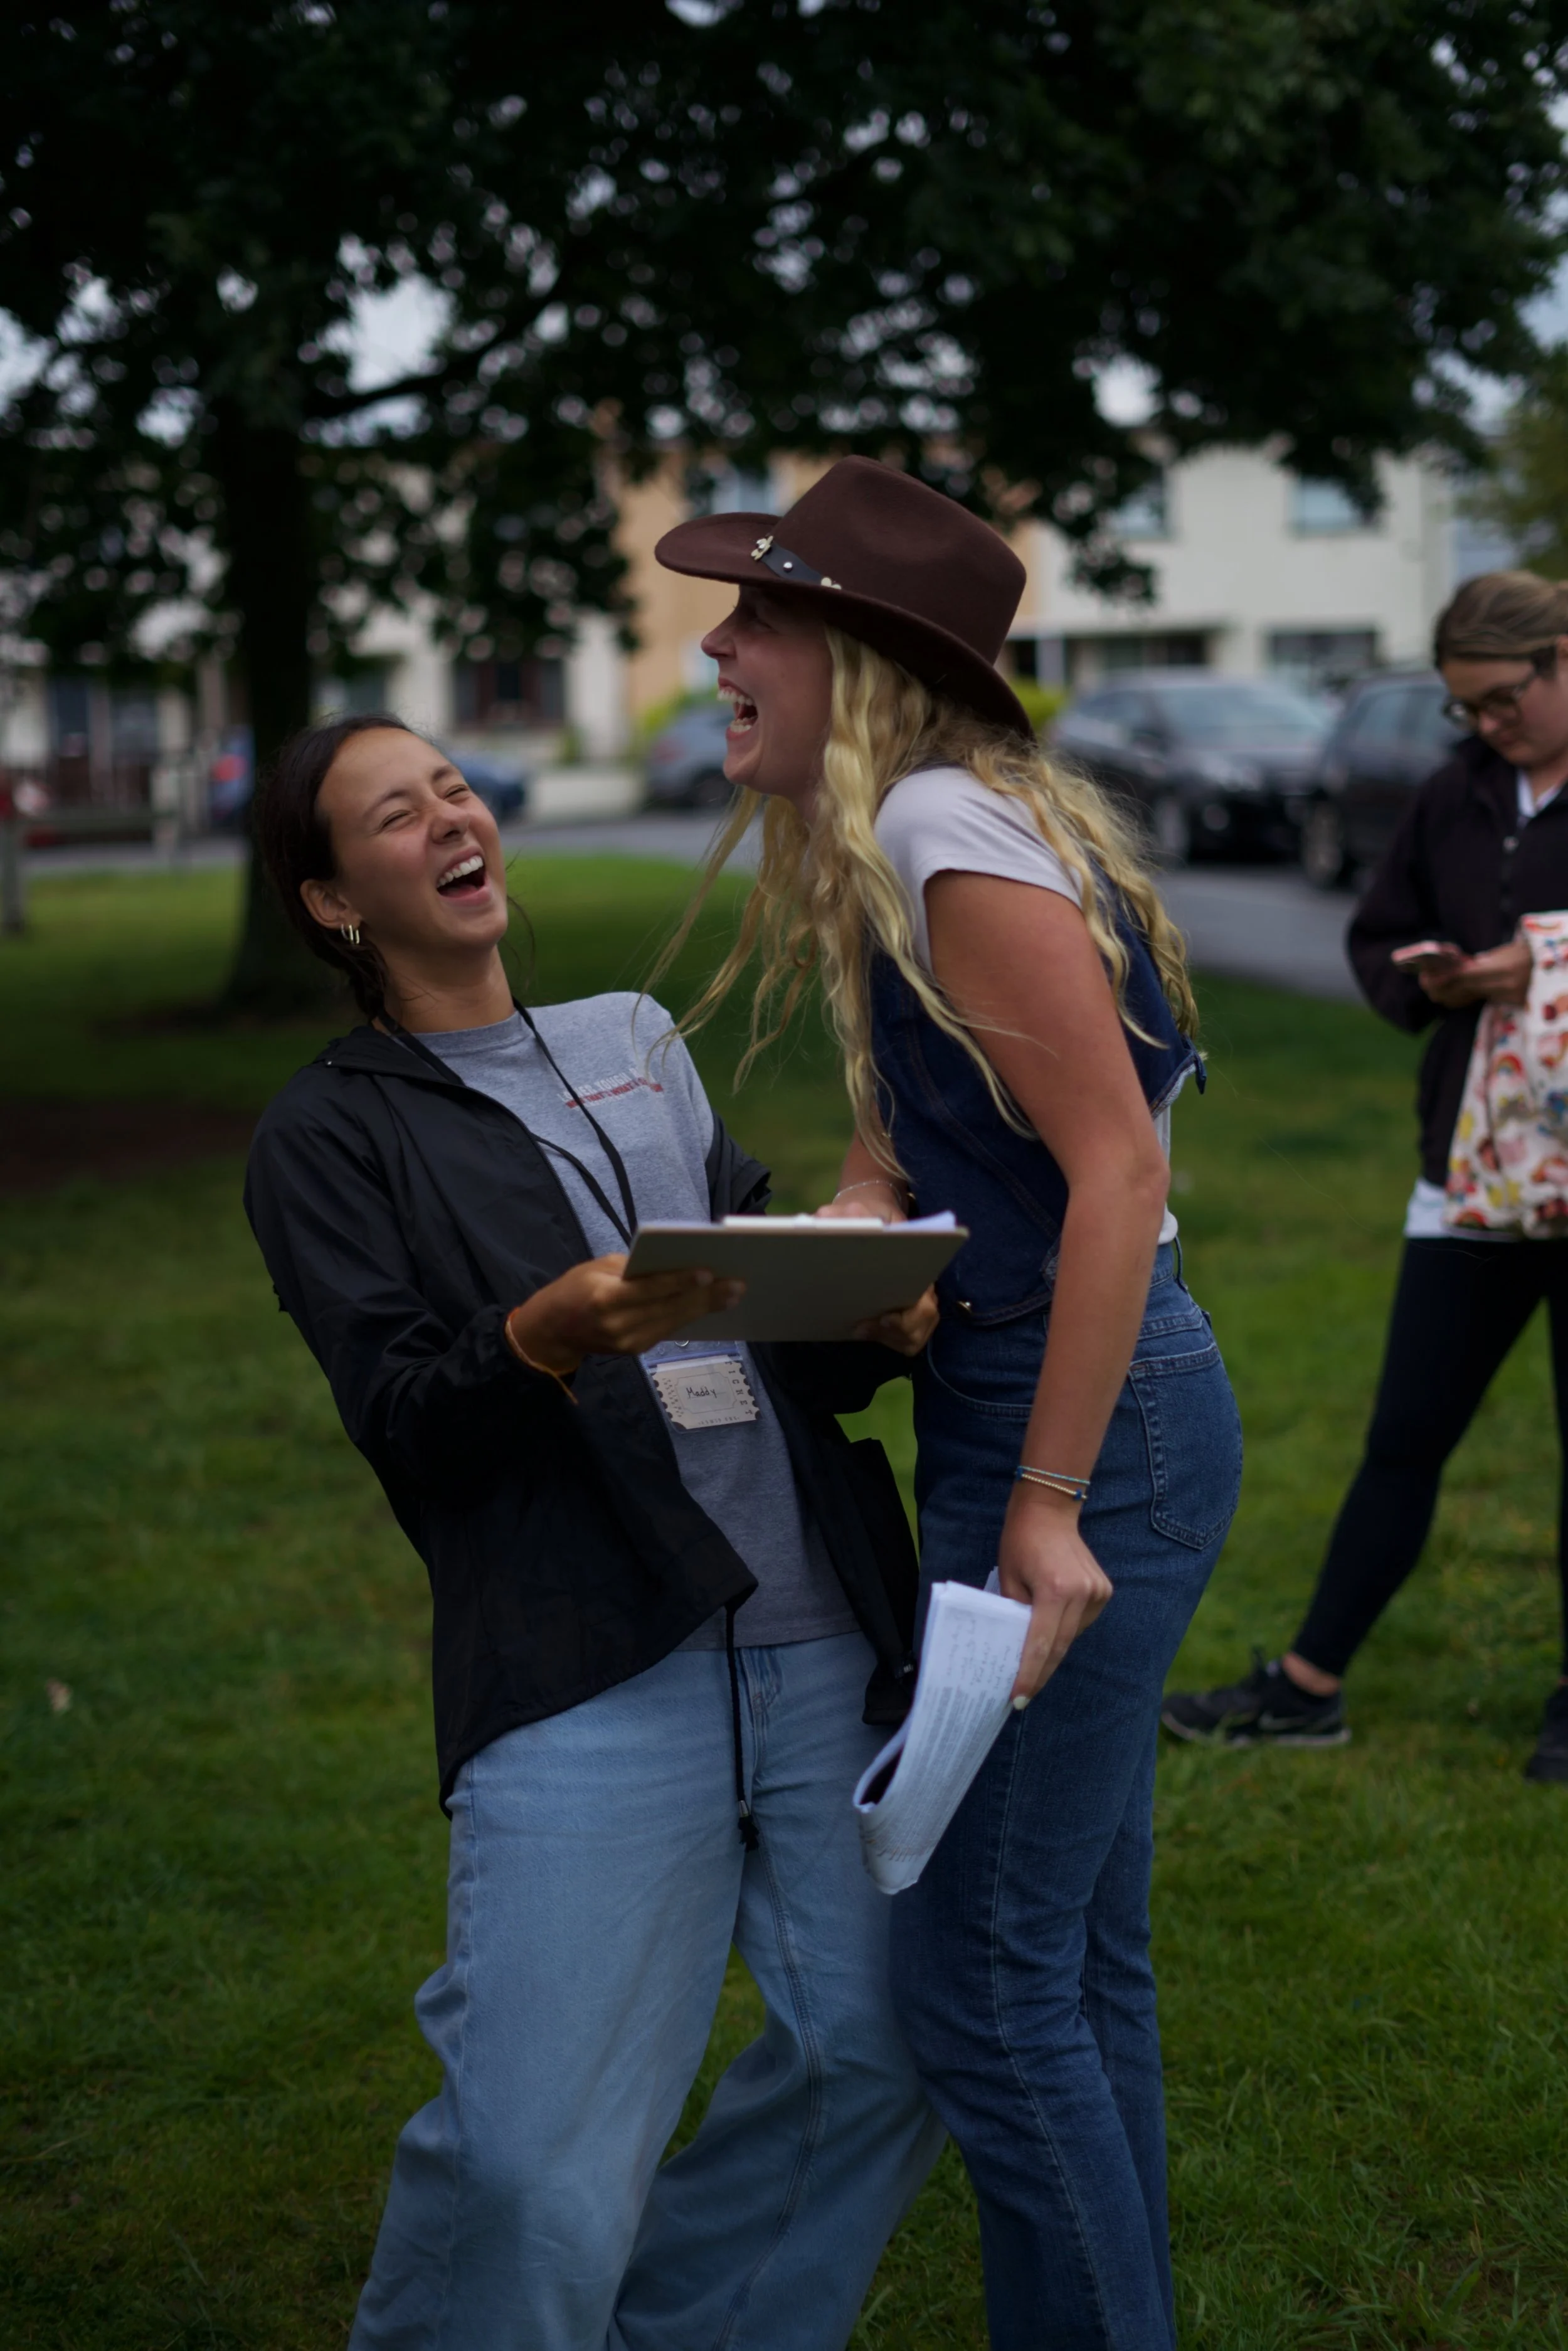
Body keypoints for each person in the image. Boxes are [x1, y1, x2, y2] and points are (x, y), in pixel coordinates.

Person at [241, 712, 946, 2351]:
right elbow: (408, 1420)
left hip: (820, 1637)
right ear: (334, 903)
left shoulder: (634, 1033)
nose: (447, 818)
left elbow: (751, 1296)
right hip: (584, 1661)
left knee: (895, 2050)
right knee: (540, 2171)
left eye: (454, 789)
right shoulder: (331, 1132)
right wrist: (540, 1336)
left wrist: (870, 1307)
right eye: (393, 815)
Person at [654, 456, 1242, 2351]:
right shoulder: (924, 830)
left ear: (853, 656)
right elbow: (914, 1132)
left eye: (756, 619)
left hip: (1084, 1435)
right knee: (1072, 1959)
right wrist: (853, 1218)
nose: (718, 646)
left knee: (983, 1992)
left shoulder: (934, 825)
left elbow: (1117, 1181)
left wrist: (1047, 1501)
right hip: (1060, 1402)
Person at [1163, 570, 1568, 1783]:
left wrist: (1539, 964)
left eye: (1502, 702)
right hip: (1474, 1173)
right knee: (1405, 1434)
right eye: (1466, 711)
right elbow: (1376, 933)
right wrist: (1435, 979)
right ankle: (1307, 1686)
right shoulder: (1459, 795)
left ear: (1561, 661)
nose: (1485, 728)